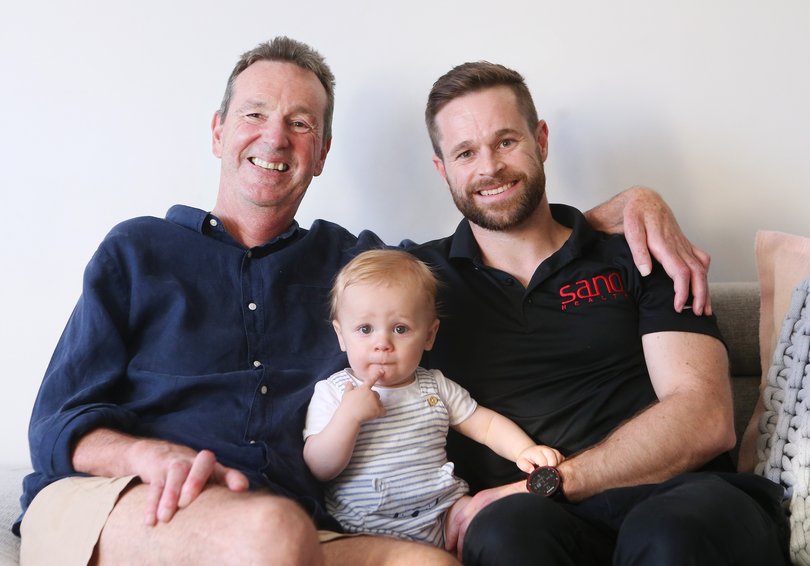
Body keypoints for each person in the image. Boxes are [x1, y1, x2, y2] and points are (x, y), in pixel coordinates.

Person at [17, 36, 713, 565]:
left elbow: (506, 219)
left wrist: (623, 210)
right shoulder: (137, 252)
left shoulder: (352, 265)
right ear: (218, 132)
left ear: (321, 153)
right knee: (270, 530)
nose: (275, 137)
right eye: (255, 114)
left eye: (301, 123)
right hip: (125, 497)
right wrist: (144, 458)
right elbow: (56, 423)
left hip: (291, 515)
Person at [404, 61, 789, 564]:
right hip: (533, 522)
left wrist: (549, 482)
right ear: (442, 170)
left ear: (541, 140)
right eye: (465, 152)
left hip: (681, 497)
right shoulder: (418, 282)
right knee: (503, 534)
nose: (489, 167)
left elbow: (705, 418)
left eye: (505, 142)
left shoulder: (640, 252)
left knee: (671, 531)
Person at [303, 249, 562, 547]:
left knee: (494, 521)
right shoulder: (336, 392)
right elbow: (320, 467)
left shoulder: (434, 386)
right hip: (369, 527)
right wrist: (348, 417)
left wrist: (523, 450)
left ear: (429, 335)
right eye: (364, 329)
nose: (382, 344)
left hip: (444, 511)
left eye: (400, 329)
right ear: (341, 335)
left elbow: (485, 424)